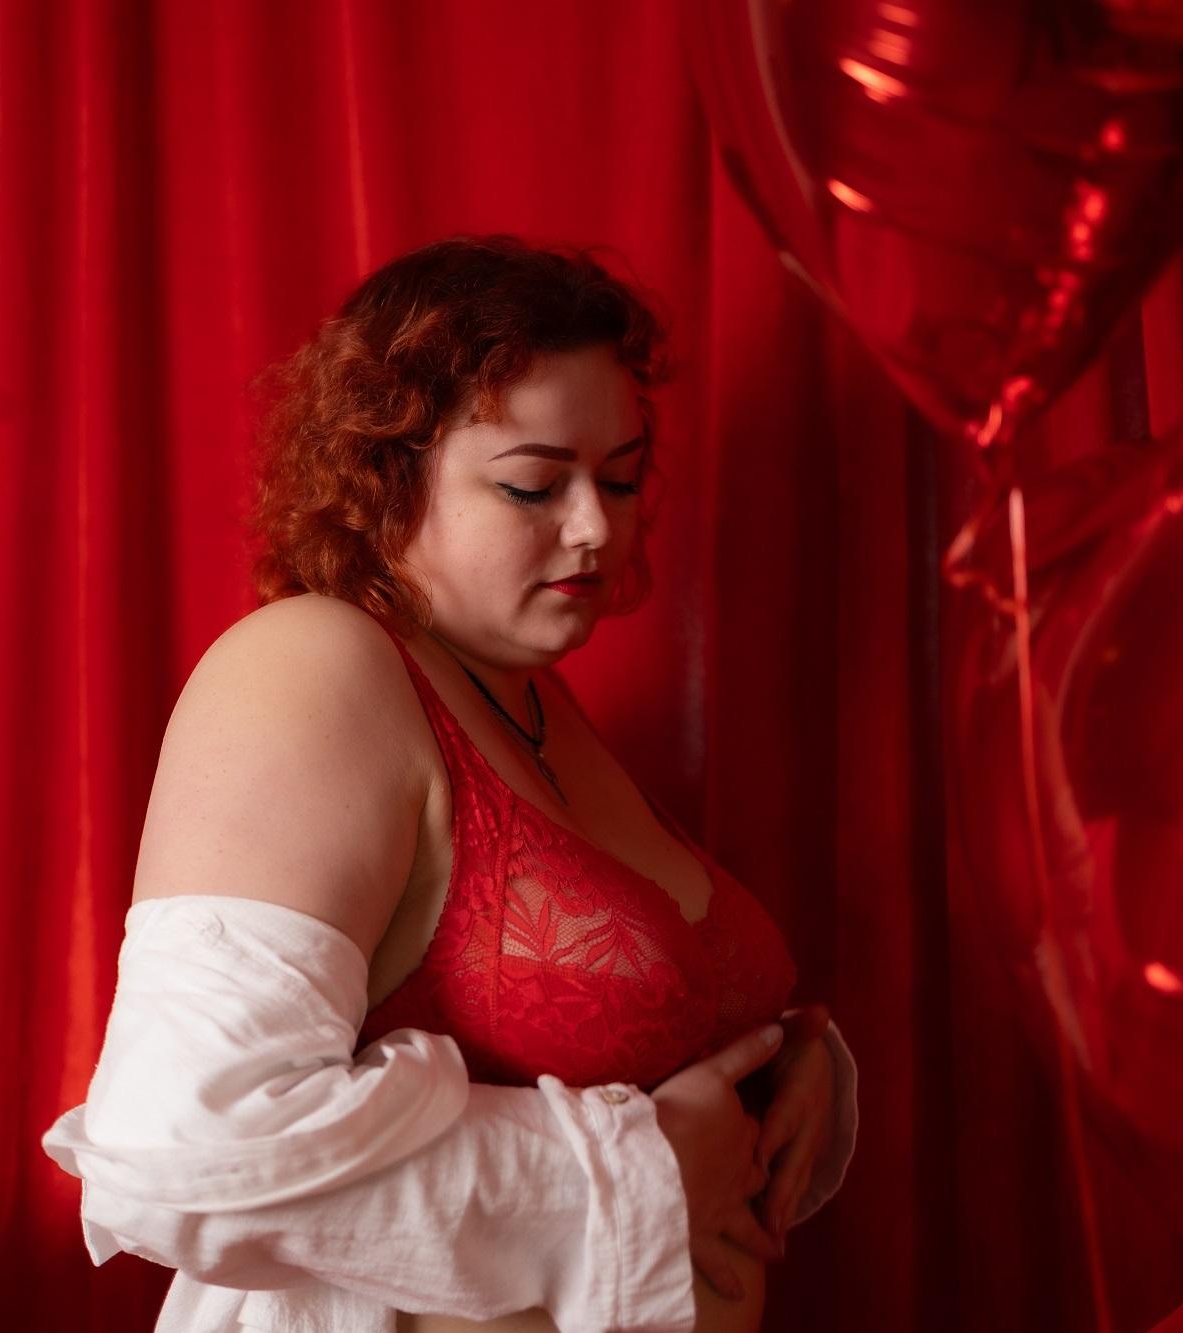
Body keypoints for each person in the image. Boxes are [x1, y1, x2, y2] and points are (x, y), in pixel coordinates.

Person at [43, 236, 857, 1333]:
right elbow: (179, 1148)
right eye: (534, 484)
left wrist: (778, 1062)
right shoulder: (314, 665)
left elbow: (584, 1034)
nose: (596, 526)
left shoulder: (533, 702)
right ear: (388, 474)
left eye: (620, 477)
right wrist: (640, 1168)